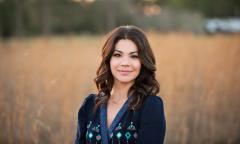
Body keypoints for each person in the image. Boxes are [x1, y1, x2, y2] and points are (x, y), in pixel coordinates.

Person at [74, 25, 166, 144]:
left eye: (134, 56)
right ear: (108, 60)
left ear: (143, 62)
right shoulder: (90, 105)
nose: (125, 63)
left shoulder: (150, 106)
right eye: (117, 55)